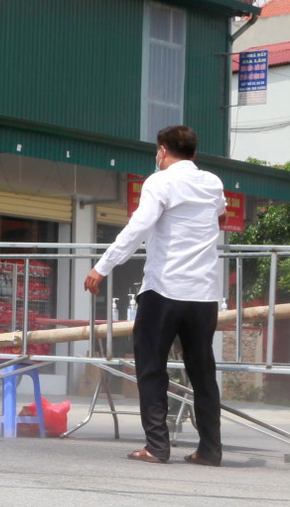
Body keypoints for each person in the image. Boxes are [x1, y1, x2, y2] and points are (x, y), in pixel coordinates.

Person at [84, 125, 225, 466]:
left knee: (151, 367)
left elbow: (138, 228)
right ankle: (210, 450)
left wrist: (102, 266)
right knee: (202, 371)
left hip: (164, 289)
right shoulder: (213, 182)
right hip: (204, 294)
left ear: (162, 150)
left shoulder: (158, 182)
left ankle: (157, 447)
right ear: (193, 151)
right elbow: (219, 218)